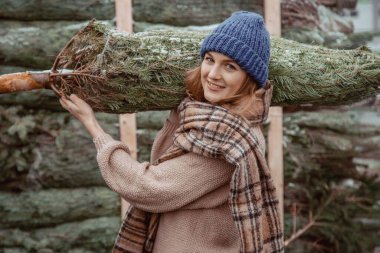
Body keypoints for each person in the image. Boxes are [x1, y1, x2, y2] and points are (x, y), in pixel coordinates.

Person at [60, 11, 284, 253]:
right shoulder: (204, 117)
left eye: (229, 66)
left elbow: (148, 187)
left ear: (249, 78)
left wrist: (93, 127)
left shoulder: (229, 142)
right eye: (209, 59)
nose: (213, 74)